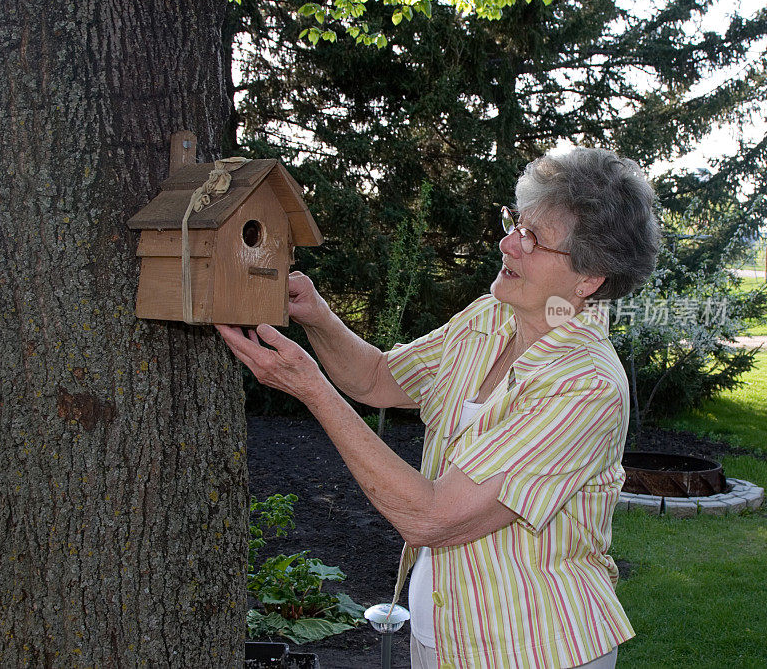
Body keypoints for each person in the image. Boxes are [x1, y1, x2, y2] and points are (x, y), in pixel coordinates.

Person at [217, 147, 661, 668]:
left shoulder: (584, 386)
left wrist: (311, 388)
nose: (507, 244)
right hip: (443, 635)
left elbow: (433, 518)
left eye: (534, 240)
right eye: (516, 223)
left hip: (532, 646)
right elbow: (380, 378)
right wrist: (316, 315)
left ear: (590, 279)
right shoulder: (492, 316)